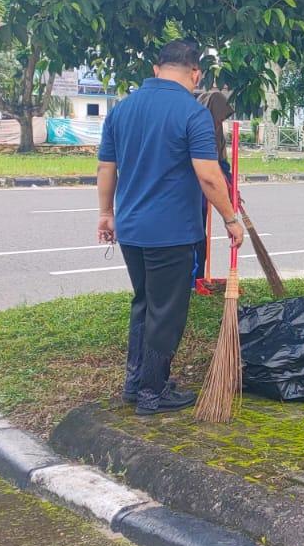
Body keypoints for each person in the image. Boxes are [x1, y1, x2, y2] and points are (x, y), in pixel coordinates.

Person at [96, 40, 244, 416]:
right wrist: (230, 217)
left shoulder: (122, 109)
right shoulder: (191, 113)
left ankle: (136, 383)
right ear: (196, 74)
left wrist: (105, 214)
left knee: (145, 303)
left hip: (130, 229)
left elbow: (105, 169)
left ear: (155, 67)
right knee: (167, 311)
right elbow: (209, 176)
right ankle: (152, 393)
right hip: (172, 232)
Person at [190, 87, 236, 283]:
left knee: (201, 236)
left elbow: (221, 162)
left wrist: (229, 184)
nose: (221, 122)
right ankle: (192, 280)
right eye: (218, 117)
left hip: (206, 190)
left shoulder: (217, 131)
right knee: (193, 236)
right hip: (191, 190)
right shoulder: (194, 126)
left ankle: (199, 278)